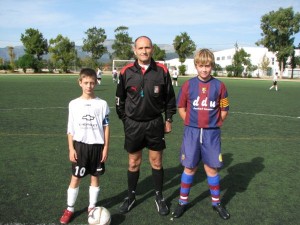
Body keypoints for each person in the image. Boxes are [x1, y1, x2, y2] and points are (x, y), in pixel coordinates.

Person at [115, 36, 176, 216]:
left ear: (152, 50)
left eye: (147, 47)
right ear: (135, 50)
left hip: (155, 123)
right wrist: (126, 121)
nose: (144, 51)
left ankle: (159, 196)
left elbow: (170, 99)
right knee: (133, 162)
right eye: (140, 48)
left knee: (156, 162)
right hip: (133, 125)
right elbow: (119, 101)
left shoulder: (162, 71)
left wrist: (169, 119)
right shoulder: (126, 72)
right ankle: (131, 196)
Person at [172, 49, 230, 220]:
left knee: (211, 168)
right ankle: (182, 202)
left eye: (208, 66)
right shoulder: (188, 85)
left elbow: (224, 108)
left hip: (212, 133)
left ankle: (216, 202)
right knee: (189, 167)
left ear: (212, 66)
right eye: (201, 66)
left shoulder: (220, 86)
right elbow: (181, 107)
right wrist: (190, 122)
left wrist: (215, 123)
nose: (204, 69)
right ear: (196, 66)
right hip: (192, 132)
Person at [59, 68, 110, 224]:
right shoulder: (74, 104)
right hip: (80, 147)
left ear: (96, 83)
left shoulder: (102, 104)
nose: (89, 86)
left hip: (97, 147)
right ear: (80, 82)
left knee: (95, 178)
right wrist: (71, 148)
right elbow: (70, 128)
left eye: (92, 83)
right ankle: (70, 208)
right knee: (75, 178)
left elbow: (106, 127)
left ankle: (92, 207)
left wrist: (106, 147)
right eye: (86, 82)